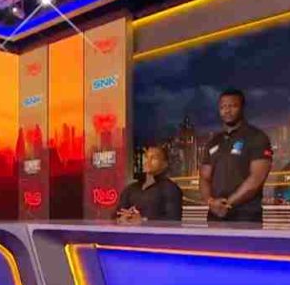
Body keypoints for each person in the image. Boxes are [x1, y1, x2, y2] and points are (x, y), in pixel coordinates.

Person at [199, 88, 273, 225]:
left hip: (246, 215)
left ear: (242, 108)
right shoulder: (213, 142)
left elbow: (256, 178)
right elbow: (204, 177)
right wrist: (210, 202)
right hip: (215, 215)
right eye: (223, 107)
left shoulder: (257, 137)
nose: (227, 110)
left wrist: (228, 203)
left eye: (232, 106)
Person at [114, 146, 183, 224]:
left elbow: (174, 220)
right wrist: (122, 218)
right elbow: (116, 214)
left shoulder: (171, 189)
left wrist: (143, 220)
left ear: (165, 164)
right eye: (146, 157)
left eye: (154, 158)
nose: (148, 161)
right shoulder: (131, 189)